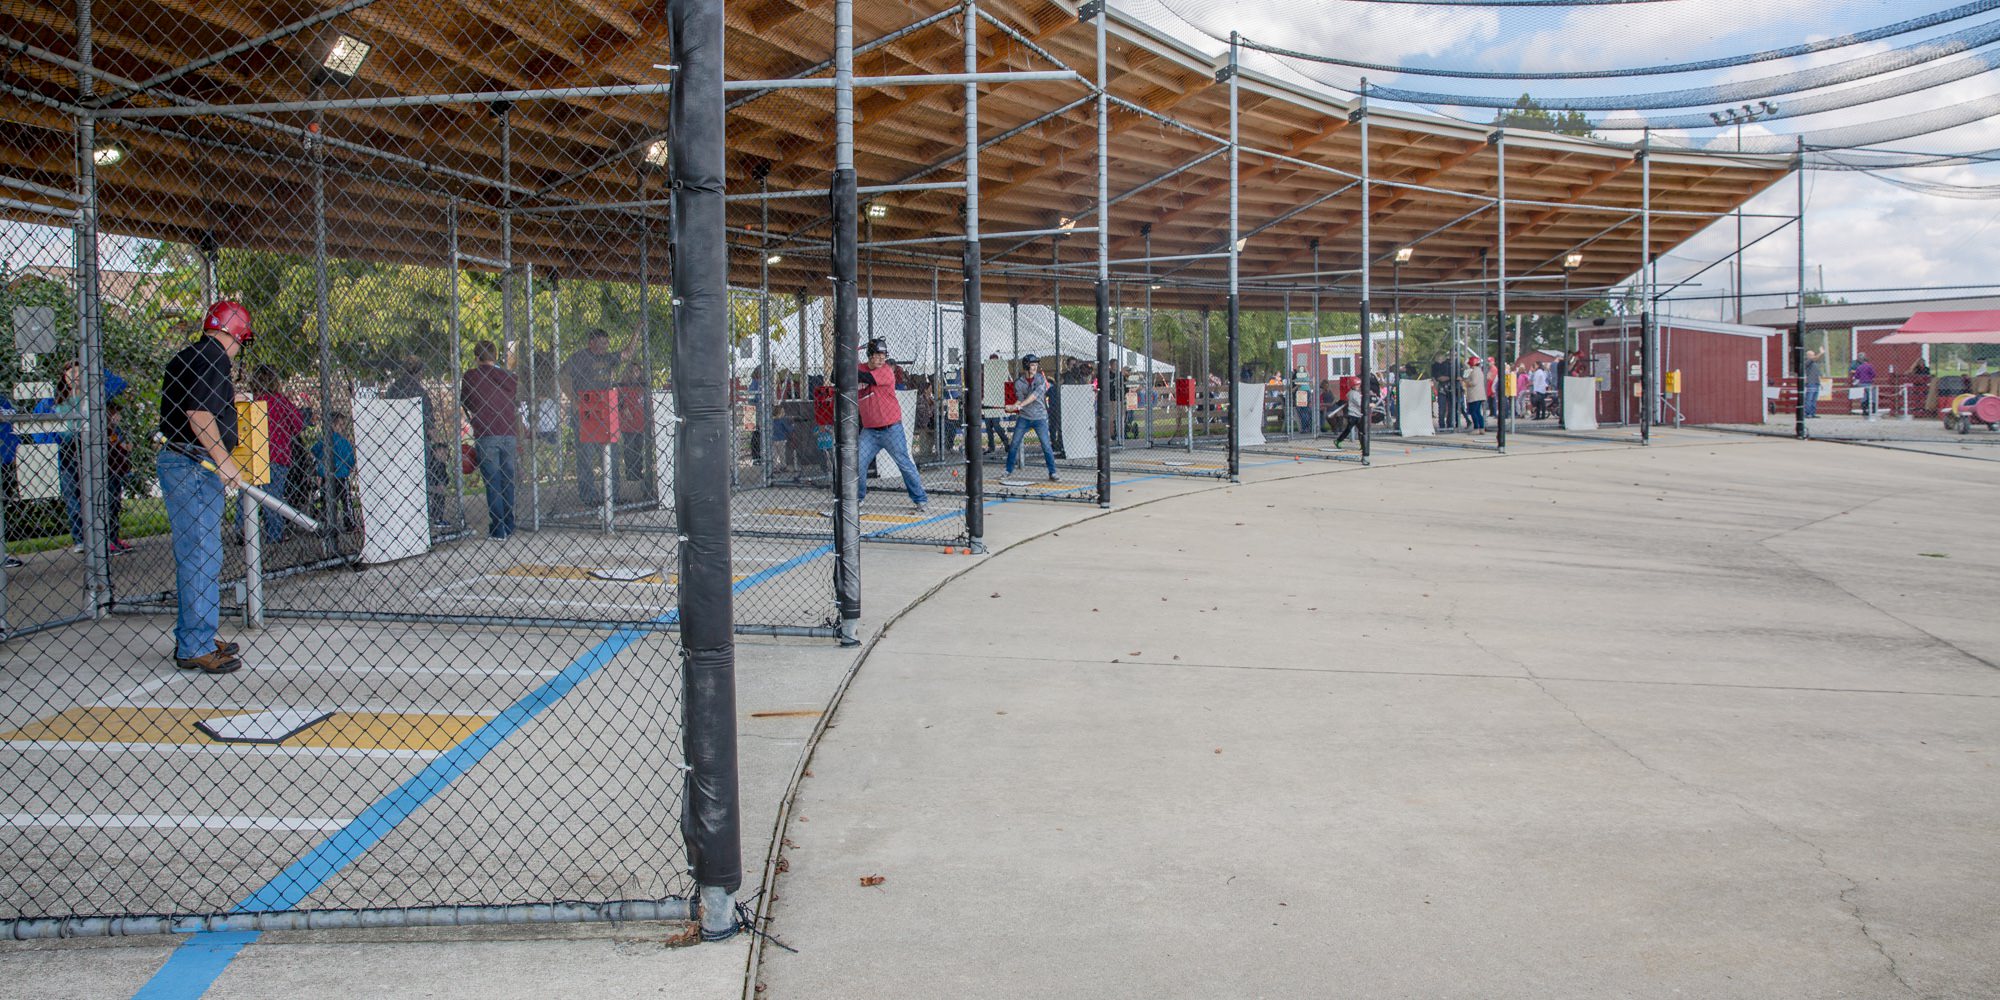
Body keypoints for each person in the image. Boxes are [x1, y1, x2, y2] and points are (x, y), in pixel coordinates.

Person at [158, 301, 252, 675]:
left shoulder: (190, 356)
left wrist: (230, 400)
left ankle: (196, 635)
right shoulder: (214, 358)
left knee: (199, 554)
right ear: (236, 334)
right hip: (194, 464)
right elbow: (198, 414)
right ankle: (195, 644)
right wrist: (224, 461)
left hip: (185, 461)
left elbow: (196, 402)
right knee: (201, 555)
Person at [562, 328, 640, 506]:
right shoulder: (580, 357)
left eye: (607, 342)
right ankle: (589, 497)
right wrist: (574, 400)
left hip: (605, 409)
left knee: (612, 454)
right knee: (586, 456)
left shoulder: (608, 358)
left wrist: (636, 332)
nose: (606, 345)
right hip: (586, 409)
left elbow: (627, 354)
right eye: (602, 342)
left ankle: (612, 495)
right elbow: (562, 376)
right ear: (592, 342)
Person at [234, 365, 304, 544]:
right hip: (276, 456)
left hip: (250, 456)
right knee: (272, 497)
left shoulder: (248, 401)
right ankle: (274, 533)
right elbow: (297, 425)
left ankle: (243, 528)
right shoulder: (280, 401)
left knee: (246, 495)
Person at [857, 338, 927, 511]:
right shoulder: (859, 368)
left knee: (904, 463)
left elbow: (865, 377)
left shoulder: (886, 371)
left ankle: (920, 499)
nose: (882, 358)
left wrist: (848, 365)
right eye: (877, 354)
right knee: (857, 462)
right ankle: (857, 498)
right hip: (869, 431)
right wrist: (844, 360)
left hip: (891, 429)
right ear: (869, 355)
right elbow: (834, 376)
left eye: (884, 355)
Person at [462, 340, 520, 540]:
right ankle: (509, 524)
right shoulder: (509, 377)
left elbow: (466, 401)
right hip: (508, 432)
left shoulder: (471, 376)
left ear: (476, 357)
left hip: (487, 433)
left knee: (493, 481)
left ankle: (498, 528)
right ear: (495, 357)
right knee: (507, 480)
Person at [1004, 353, 1058, 481]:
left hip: (1040, 417)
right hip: (1024, 418)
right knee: (1014, 443)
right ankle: (1008, 470)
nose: (1034, 367)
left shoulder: (1040, 379)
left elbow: (1034, 396)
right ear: (1026, 366)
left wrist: (1020, 405)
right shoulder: (1019, 382)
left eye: (1036, 365)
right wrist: (1013, 406)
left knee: (1046, 445)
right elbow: (1020, 399)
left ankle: (1053, 472)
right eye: (1032, 365)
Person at [105, 401, 132, 554]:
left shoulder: (116, 430)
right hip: (108, 470)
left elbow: (124, 446)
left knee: (115, 505)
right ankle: (108, 540)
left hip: (117, 470)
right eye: (114, 412)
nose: (118, 416)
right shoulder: (106, 430)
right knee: (109, 505)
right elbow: (117, 446)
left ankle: (114, 537)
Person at [981, 353, 1007, 454]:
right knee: (988, 427)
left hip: (997, 403)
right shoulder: (985, 374)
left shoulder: (1000, 374)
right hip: (987, 402)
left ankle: (1006, 442)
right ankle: (991, 447)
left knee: (996, 425)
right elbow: (982, 388)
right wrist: (982, 399)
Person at [1462, 355, 1489, 434]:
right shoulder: (1478, 370)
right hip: (1479, 395)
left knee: (1473, 412)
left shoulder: (1475, 371)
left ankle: (1476, 428)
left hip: (1475, 395)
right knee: (1477, 412)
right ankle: (1481, 428)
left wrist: (1465, 381)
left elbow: (1473, 382)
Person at [1852, 351, 1877, 417]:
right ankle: (1872, 409)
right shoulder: (1870, 366)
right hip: (1869, 383)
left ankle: (1864, 410)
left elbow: (1856, 376)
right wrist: (1870, 377)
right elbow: (1874, 374)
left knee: (1864, 397)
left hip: (1862, 384)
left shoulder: (1859, 367)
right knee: (1871, 396)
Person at [1801, 348, 1822, 419]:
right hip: (1811, 383)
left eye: (1813, 355)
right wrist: (1821, 353)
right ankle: (1807, 413)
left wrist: (1820, 382)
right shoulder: (1807, 362)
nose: (1813, 356)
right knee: (1809, 399)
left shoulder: (1815, 364)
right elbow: (1814, 359)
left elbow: (1818, 374)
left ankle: (1812, 413)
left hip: (1816, 383)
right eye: (1811, 355)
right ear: (1808, 356)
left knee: (1814, 399)